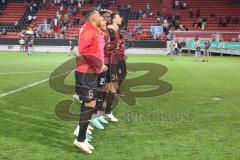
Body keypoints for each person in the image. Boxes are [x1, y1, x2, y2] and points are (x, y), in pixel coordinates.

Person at [73, 9, 107, 154]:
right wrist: (99, 64)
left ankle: (82, 137)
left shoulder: (94, 30)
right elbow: (82, 51)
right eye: (100, 16)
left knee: (90, 103)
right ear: (94, 18)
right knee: (89, 103)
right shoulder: (89, 29)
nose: (102, 18)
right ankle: (80, 139)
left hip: (90, 72)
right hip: (85, 72)